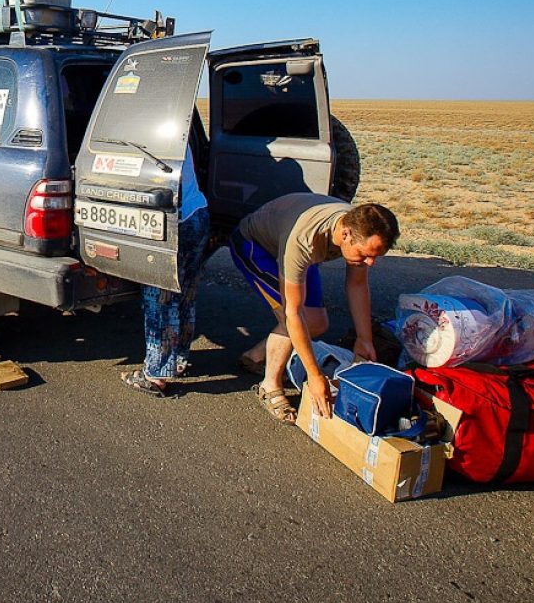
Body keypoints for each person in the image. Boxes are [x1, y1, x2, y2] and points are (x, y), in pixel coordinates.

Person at [229, 193, 399, 423]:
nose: (370, 263)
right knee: (294, 319)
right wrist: (315, 375)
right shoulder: (304, 240)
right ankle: (269, 386)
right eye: (365, 255)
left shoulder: (357, 229)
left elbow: (357, 284)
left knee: (318, 322)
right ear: (346, 234)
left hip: (293, 250)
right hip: (256, 246)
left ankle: (255, 358)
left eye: (375, 256)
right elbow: (293, 313)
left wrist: (365, 338)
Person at [121, 147, 210, 397]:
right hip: (198, 213)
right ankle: (178, 359)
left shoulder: (148, 129)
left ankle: (157, 374)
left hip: (171, 221)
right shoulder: (172, 121)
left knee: (160, 299)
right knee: (185, 294)